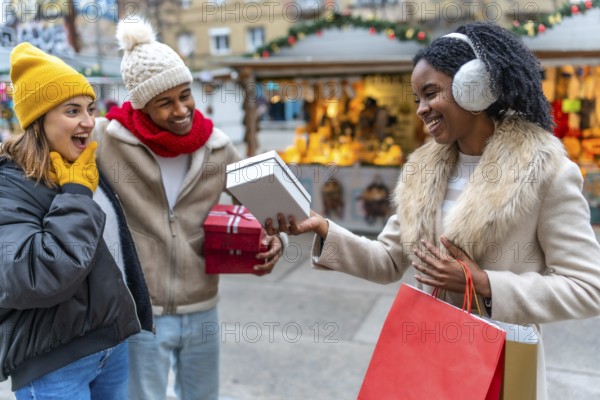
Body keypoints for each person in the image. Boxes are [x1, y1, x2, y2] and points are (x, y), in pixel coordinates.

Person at [268, 22, 600, 399]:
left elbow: (588, 288)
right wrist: (323, 228)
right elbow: (388, 260)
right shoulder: (421, 172)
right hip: (433, 360)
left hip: (503, 366)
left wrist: (485, 284)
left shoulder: (547, 172)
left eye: (430, 93)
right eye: (418, 99)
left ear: (475, 87)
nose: (422, 109)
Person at [93, 20, 283, 400]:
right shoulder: (105, 140)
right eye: (165, 102)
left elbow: (267, 210)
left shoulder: (218, 146)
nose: (181, 110)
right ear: (141, 105)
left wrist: (273, 238)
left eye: (185, 95)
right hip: (139, 310)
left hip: (203, 305)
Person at [0, 43, 153, 399]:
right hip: (55, 363)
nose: (88, 121)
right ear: (38, 121)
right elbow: (35, 274)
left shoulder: (81, 165)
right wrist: (74, 193)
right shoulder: (11, 185)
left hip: (111, 346)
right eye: (72, 111)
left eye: (89, 108)